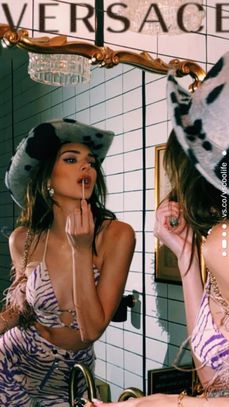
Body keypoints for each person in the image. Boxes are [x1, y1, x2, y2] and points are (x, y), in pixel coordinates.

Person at [91, 51, 229, 406]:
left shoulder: (226, 239)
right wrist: (185, 253)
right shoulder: (218, 242)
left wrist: (168, 403)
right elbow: (211, 373)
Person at [0, 118, 136, 406]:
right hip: (13, 359)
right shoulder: (23, 238)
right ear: (47, 177)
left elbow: (91, 330)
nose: (86, 166)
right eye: (71, 160)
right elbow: (19, 310)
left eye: (91, 162)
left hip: (69, 373)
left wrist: (81, 249)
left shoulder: (117, 235)